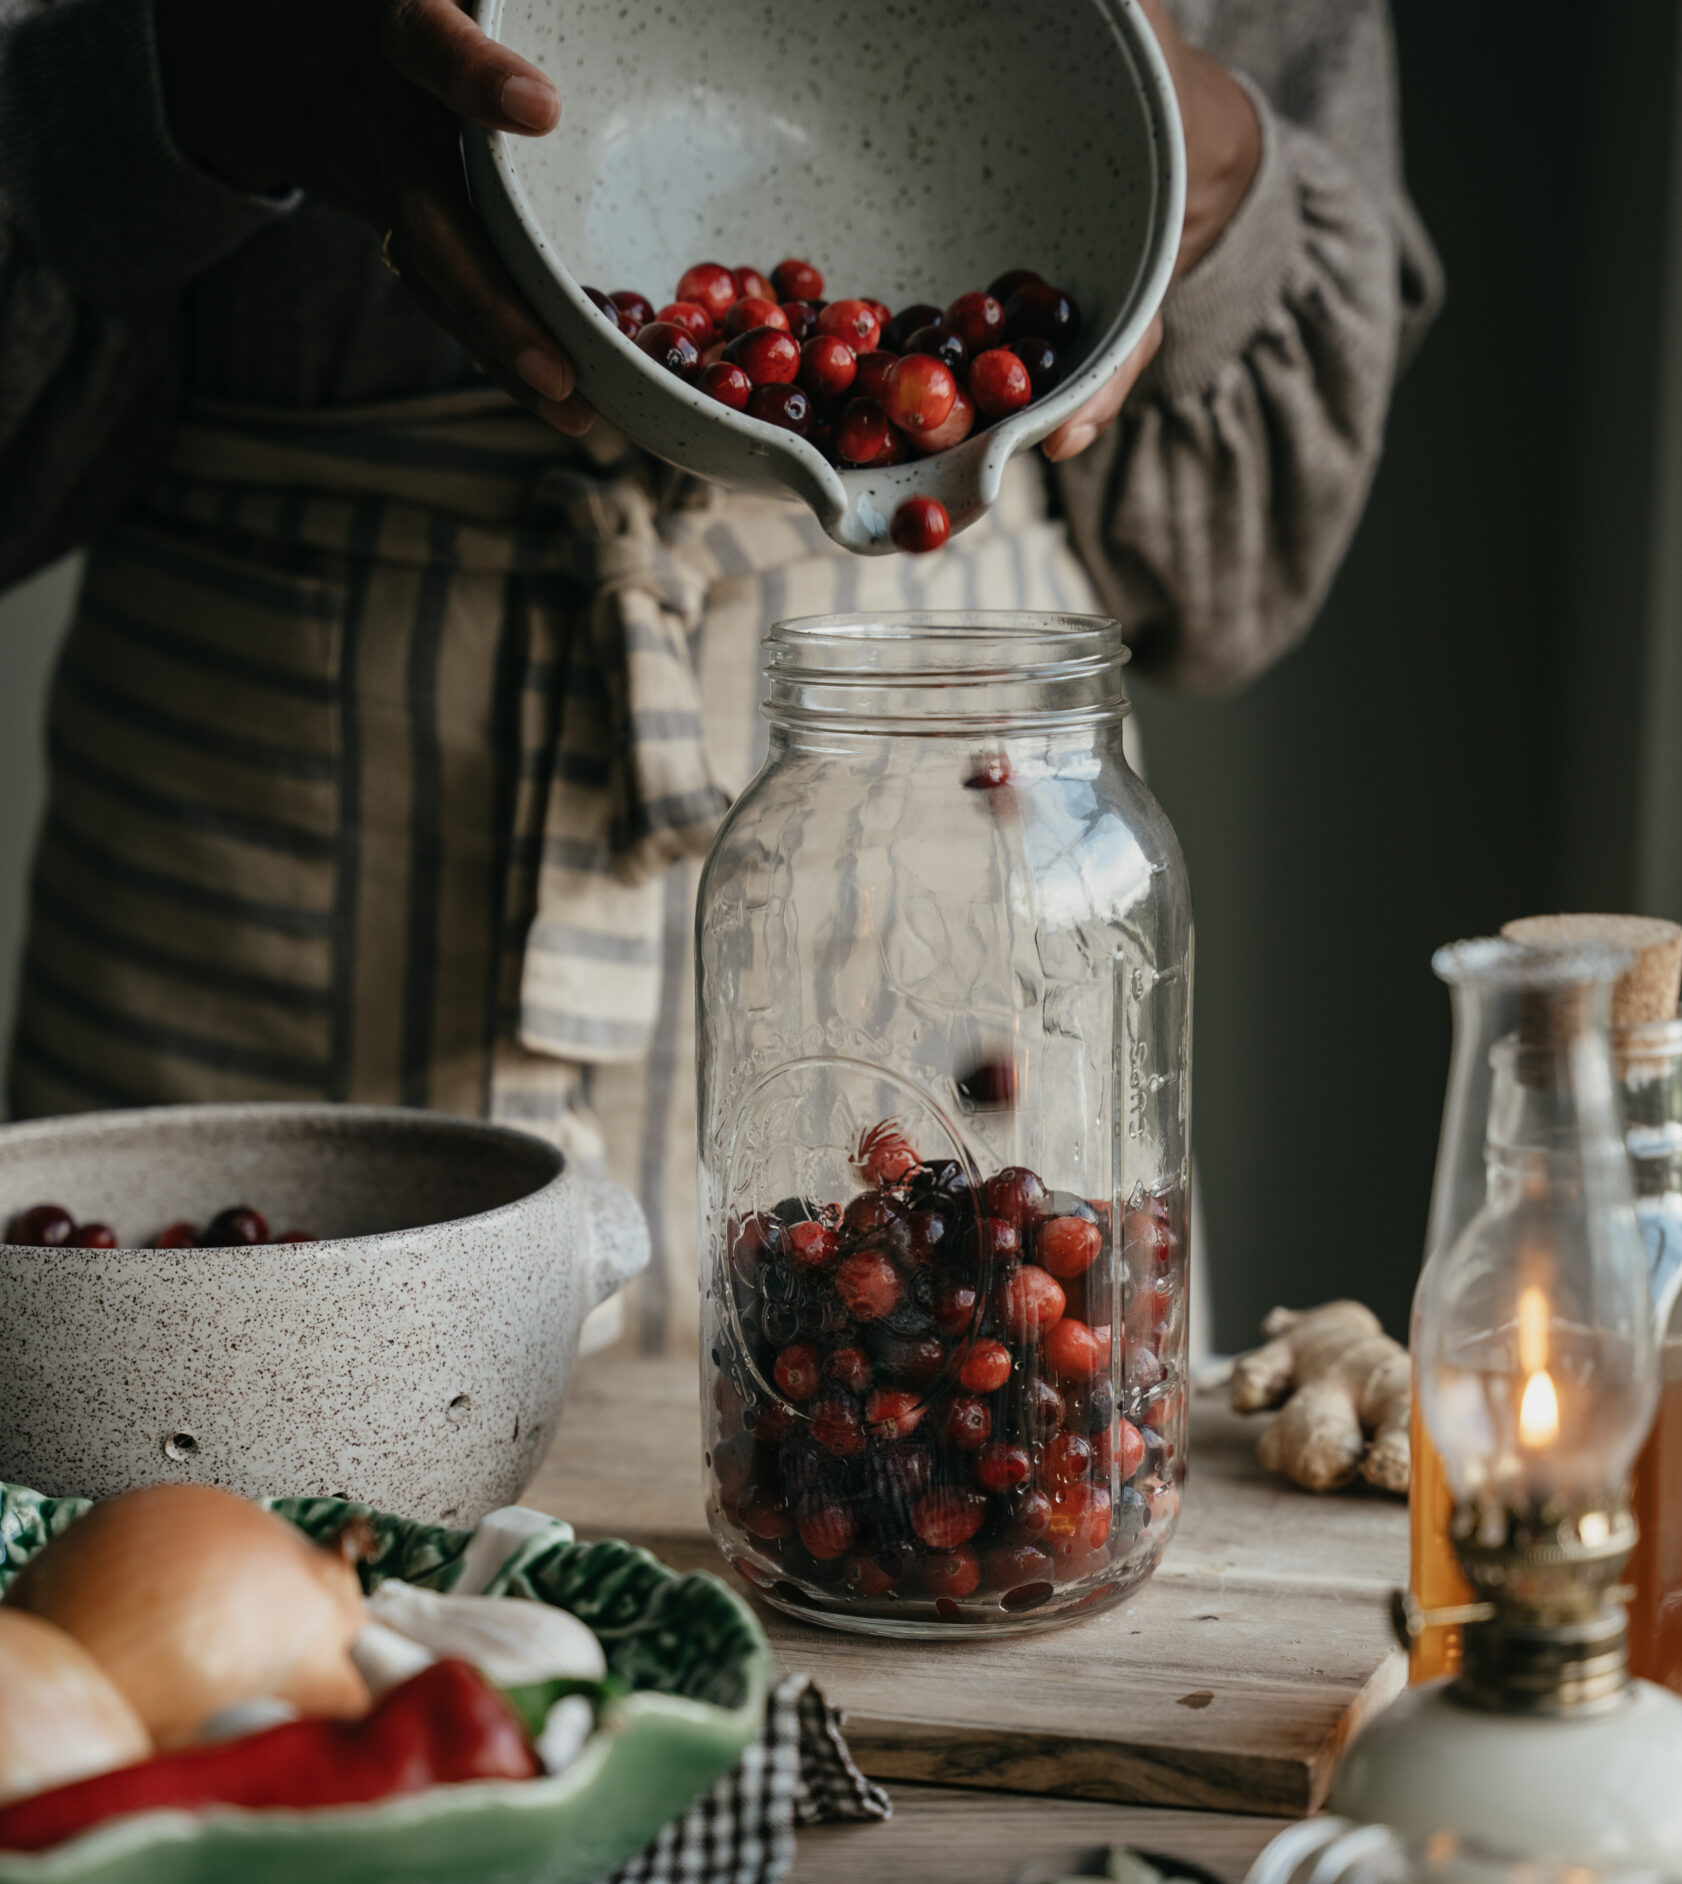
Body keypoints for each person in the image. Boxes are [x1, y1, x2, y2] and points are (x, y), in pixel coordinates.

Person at [0, 0, 1440, 1350]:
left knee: (937, 1451)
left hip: (929, 798)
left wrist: (1202, 149)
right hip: (251, 883)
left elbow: (1236, 579)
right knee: (179, 1521)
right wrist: (186, 73)